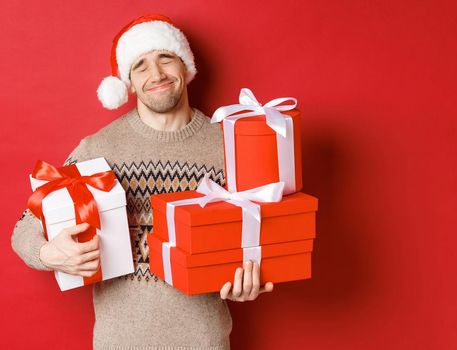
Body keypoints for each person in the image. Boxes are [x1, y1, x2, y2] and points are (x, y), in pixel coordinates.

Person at [10, 13, 271, 349]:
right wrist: (49, 253)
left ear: (185, 67)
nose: (156, 74)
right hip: (118, 342)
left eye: (166, 57)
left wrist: (251, 278)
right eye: (141, 65)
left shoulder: (228, 147)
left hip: (203, 341)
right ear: (128, 83)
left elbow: (260, 238)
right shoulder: (98, 149)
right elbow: (24, 229)